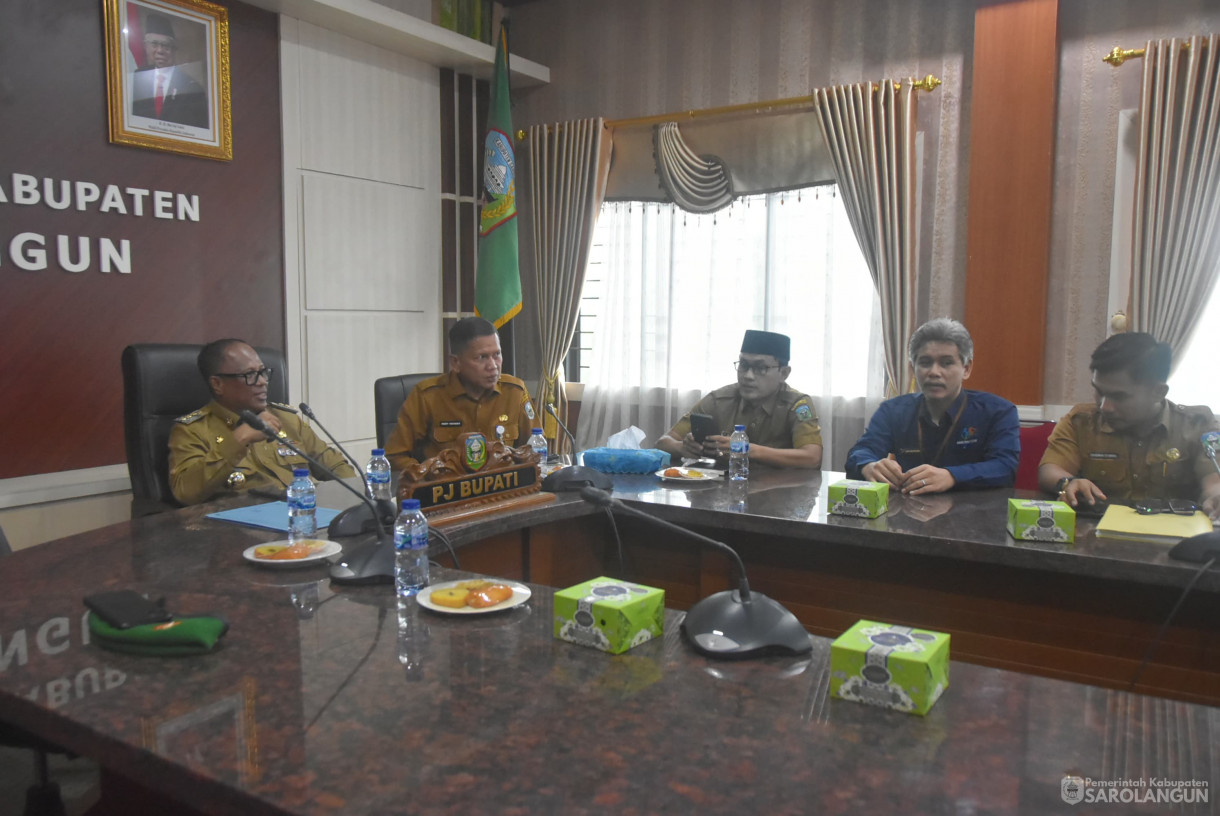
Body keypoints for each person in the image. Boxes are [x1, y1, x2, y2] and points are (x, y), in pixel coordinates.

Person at [1038, 331, 1220, 517]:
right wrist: (1067, 482)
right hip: (1096, 535)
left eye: (1119, 397)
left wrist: (1215, 495)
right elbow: (1050, 469)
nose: (1104, 406)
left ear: (1158, 392)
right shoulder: (1081, 421)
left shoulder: (1196, 425)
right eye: (1099, 392)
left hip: (1174, 539)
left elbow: (1213, 481)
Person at [168, 339, 354, 505]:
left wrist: (355, 501)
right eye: (250, 375)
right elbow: (185, 492)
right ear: (218, 384)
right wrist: (238, 440)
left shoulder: (286, 419)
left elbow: (335, 466)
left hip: (306, 516)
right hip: (245, 534)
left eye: (263, 372)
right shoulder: (193, 430)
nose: (263, 381)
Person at [844, 318, 1019, 494]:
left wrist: (952, 476)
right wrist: (868, 465)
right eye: (925, 363)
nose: (934, 372)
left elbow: (1005, 467)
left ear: (966, 369)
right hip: (909, 510)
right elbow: (860, 452)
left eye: (946, 363)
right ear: (913, 369)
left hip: (974, 512)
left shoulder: (999, 411)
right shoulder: (892, 410)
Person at [385, 317, 538, 472]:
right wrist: (430, 475)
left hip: (502, 489)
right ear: (455, 363)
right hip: (447, 491)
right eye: (482, 357)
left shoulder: (514, 392)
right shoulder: (427, 397)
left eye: (497, 355)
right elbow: (395, 456)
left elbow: (536, 448)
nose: (493, 366)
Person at [656, 330, 823, 468]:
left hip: (779, 496)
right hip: (722, 494)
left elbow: (812, 457)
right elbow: (663, 443)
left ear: (784, 373)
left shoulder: (797, 405)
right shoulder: (719, 400)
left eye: (761, 368)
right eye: (744, 365)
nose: (748, 376)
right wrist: (683, 447)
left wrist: (747, 450)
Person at [130, 14, 208, 128]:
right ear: (146, 46)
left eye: (166, 45)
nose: (160, 50)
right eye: (154, 44)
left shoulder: (192, 88)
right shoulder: (137, 78)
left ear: (174, 49)